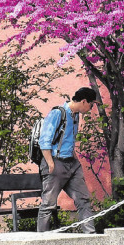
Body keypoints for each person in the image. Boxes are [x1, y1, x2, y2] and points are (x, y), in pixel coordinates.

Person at [38, 87, 98, 233]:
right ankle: (40, 239)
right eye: (91, 105)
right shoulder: (57, 113)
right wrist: (50, 163)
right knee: (48, 205)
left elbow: (68, 140)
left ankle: (91, 234)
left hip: (71, 163)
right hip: (55, 162)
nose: (91, 109)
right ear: (84, 101)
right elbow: (44, 140)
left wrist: (75, 160)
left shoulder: (75, 116)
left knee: (83, 199)